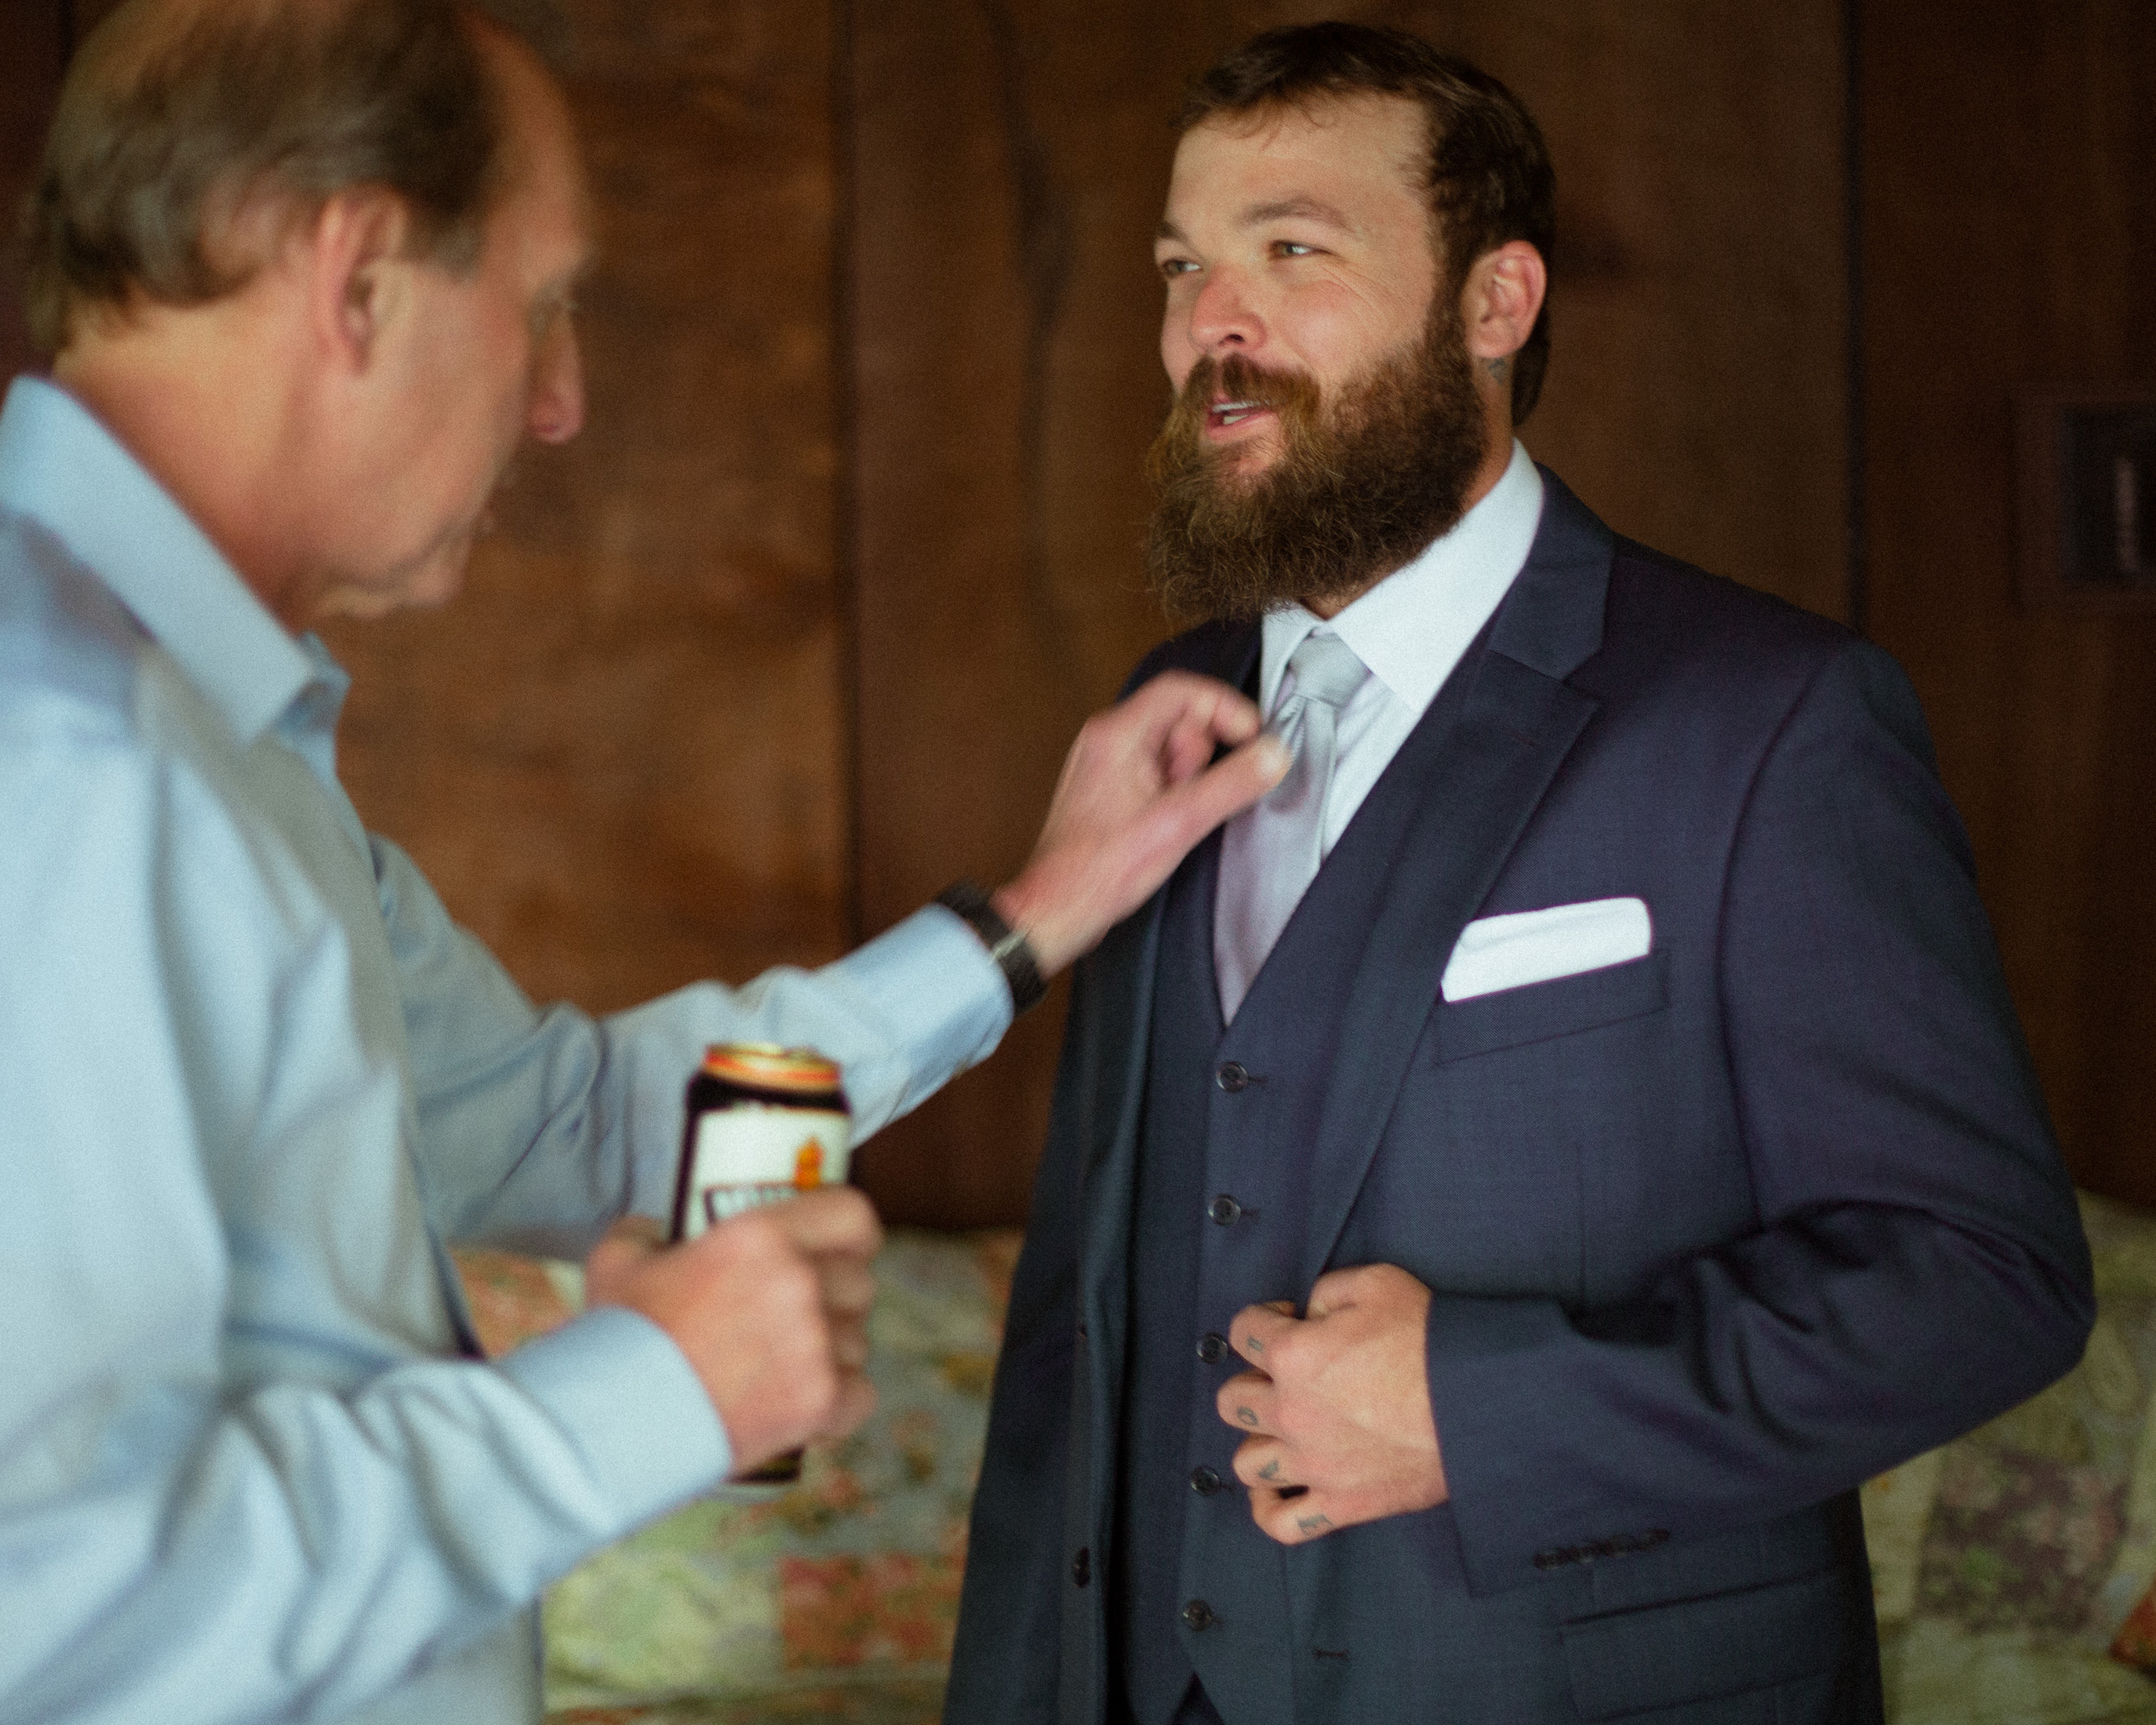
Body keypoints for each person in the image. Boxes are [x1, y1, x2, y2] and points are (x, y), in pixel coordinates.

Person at [0, 3, 1288, 1722]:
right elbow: (63, 1602)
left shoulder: (207, 748)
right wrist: (652, 1388)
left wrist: (1022, 918)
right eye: (539, 305)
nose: (558, 402)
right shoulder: (64, 760)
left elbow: (567, 1126)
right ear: (358, 269)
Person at [946, 22, 2095, 1724]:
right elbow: (1081, 1319)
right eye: (1182, 266)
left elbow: (1979, 1278)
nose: (1210, 326)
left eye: (1290, 249)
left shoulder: (1768, 721)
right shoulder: (1157, 718)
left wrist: (1482, 1410)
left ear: (1494, 303)